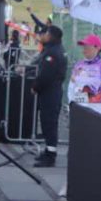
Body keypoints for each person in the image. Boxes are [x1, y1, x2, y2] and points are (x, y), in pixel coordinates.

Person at [32, 26, 67, 167]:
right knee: (47, 123)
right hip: (50, 92)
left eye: (46, 33)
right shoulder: (53, 49)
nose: (44, 35)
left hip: (50, 93)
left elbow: (46, 75)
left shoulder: (52, 53)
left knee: (49, 123)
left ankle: (51, 155)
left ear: (52, 35)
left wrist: (35, 86)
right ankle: (48, 151)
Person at [67, 34, 101, 104]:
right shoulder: (78, 65)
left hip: (96, 111)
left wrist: (96, 107)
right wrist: (72, 105)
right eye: (84, 47)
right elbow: (71, 88)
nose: (84, 50)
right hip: (78, 109)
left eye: (87, 47)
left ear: (97, 48)